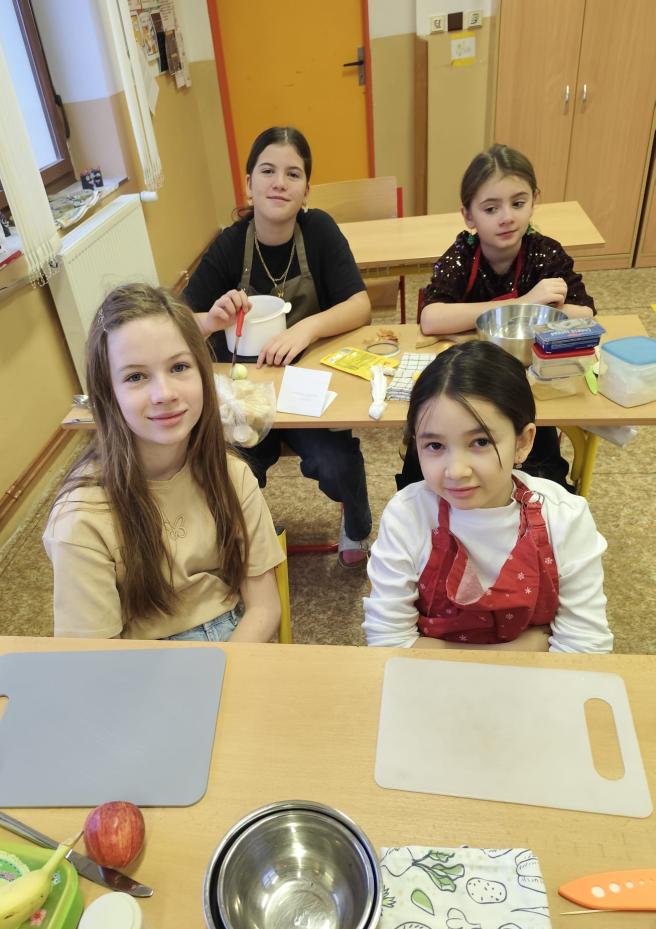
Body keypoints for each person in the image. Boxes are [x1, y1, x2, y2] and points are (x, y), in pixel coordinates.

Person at [44, 283, 283, 643]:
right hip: (141, 663)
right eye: (136, 376)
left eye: (179, 367)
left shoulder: (232, 475)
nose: (164, 394)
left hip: (236, 642)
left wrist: (223, 668)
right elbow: (96, 661)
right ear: (108, 394)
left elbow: (264, 608)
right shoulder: (81, 520)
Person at [183, 126, 373, 568]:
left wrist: (306, 329)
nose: (279, 183)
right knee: (230, 469)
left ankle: (357, 525)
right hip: (246, 395)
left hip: (308, 389)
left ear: (307, 190)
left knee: (335, 461)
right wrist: (212, 319)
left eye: (293, 173)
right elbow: (179, 322)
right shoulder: (231, 244)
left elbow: (360, 305)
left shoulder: (319, 230)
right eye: (267, 171)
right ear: (249, 183)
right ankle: (250, 538)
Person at [362, 342, 613, 653]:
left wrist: (434, 650)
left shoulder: (564, 517)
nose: (456, 471)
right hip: (436, 683)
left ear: (523, 442)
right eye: (435, 446)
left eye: (480, 442)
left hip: (525, 683)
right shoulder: (406, 516)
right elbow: (388, 644)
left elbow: (585, 649)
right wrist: (529, 646)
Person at [414, 143, 596, 490]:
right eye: (490, 208)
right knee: (428, 472)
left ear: (534, 200)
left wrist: (539, 307)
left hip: (527, 383)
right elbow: (432, 318)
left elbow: (584, 312)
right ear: (469, 215)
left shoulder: (545, 253)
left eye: (518, 203)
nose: (507, 217)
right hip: (467, 379)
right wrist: (524, 302)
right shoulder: (462, 255)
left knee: (540, 476)